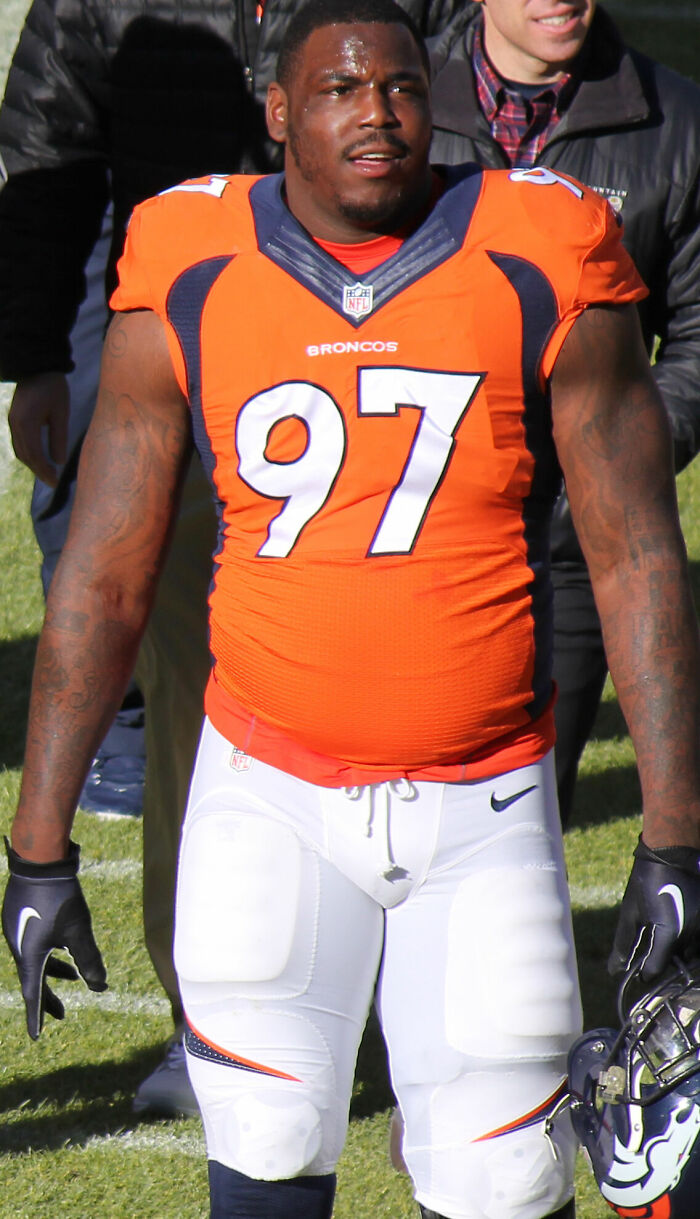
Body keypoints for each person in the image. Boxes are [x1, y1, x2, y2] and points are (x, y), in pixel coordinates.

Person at [5, 1, 700, 1215]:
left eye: (395, 88)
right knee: (265, 1163)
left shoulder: (539, 236)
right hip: (265, 799)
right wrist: (39, 842)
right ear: (274, 115)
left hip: (484, 798)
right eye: (338, 89)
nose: (377, 112)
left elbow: (639, 552)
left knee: (501, 1181)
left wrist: (674, 831)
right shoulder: (188, 254)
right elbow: (105, 573)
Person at [0, 0, 460, 1116]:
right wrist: (32, 354)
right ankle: (203, 1011)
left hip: (396, 344)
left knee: (420, 672)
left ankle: (429, 995)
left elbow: (467, 124)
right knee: (196, 711)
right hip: (196, 360)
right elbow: (51, 149)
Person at [427, 0, 700, 825]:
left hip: (574, 543)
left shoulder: (680, 121)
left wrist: (617, 452)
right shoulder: (395, 98)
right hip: (409, 529)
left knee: (523, 818)